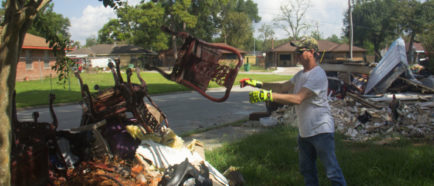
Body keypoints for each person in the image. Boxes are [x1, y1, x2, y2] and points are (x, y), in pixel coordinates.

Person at [240, 37, 347, 186]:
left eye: (300, 51)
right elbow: (282, 87)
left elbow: (298, 98)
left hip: (321, 131)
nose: (297, 54)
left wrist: (268, 96)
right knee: (307, 171)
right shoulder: (301, 75)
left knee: (332, 172)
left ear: (311, 52)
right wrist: (257, 84)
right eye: (296, 51)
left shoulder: (318, 75)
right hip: (305, 133)